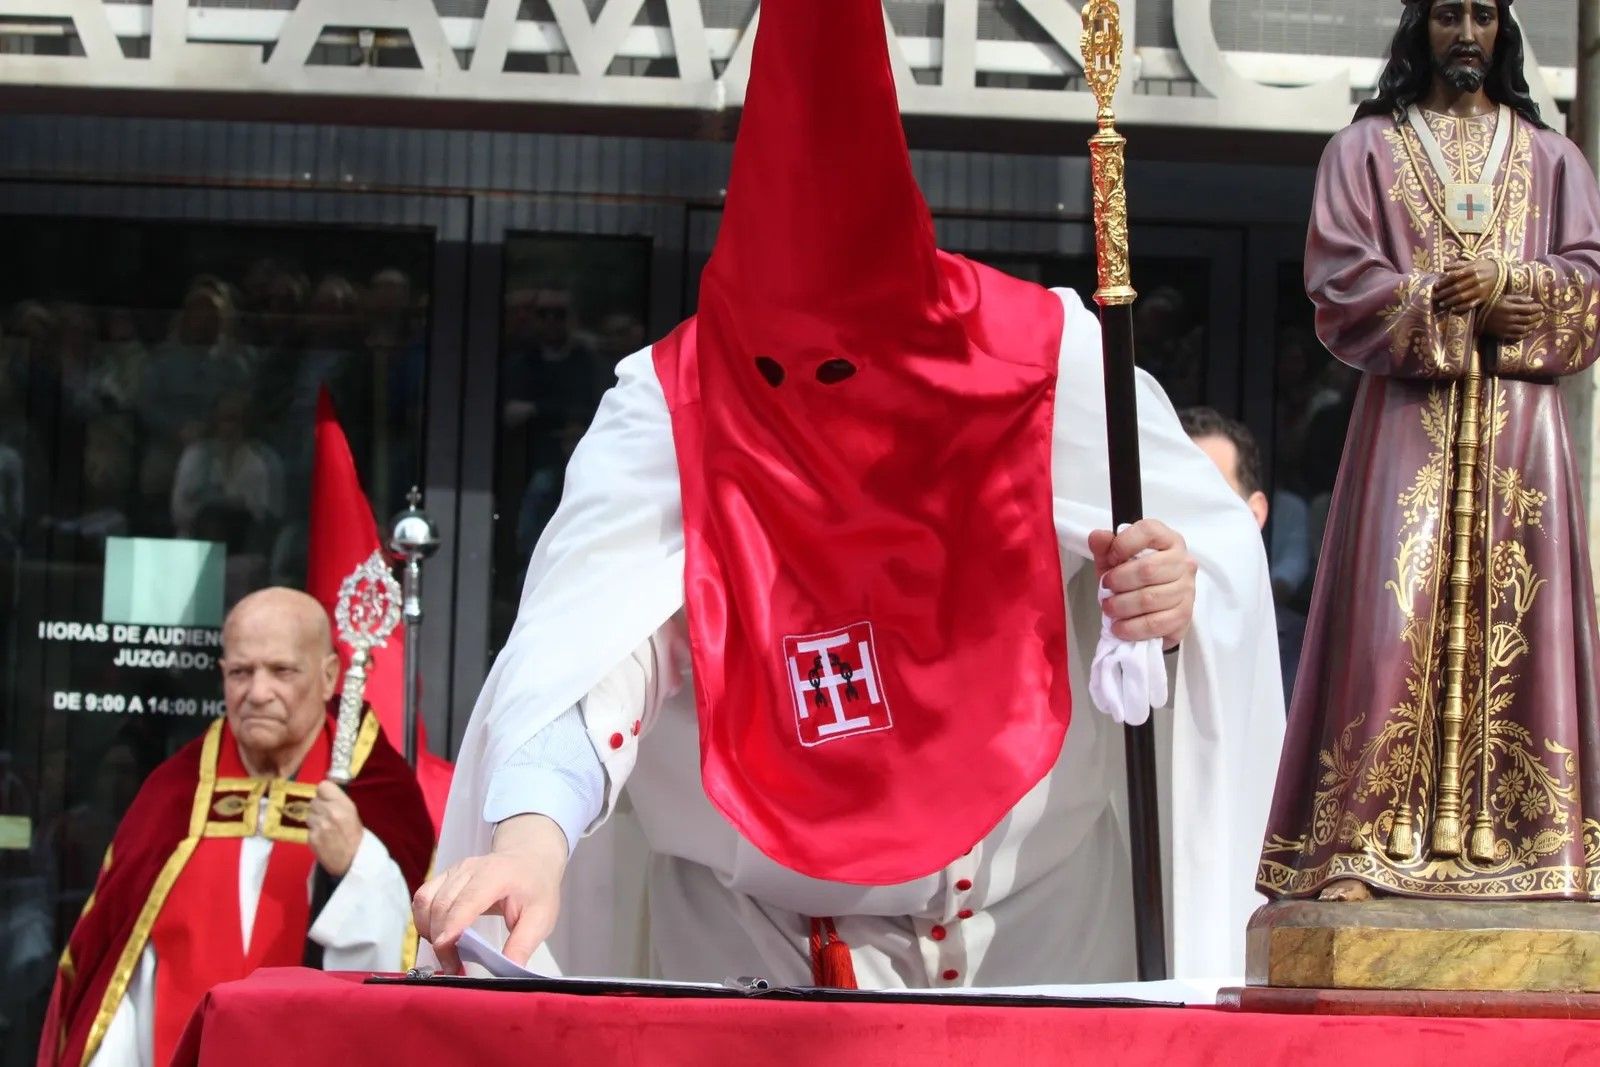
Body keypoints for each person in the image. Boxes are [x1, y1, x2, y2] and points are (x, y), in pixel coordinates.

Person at [417, 0, 1284, 988]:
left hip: (1040, 939)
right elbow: (590, 661)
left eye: (847, 370)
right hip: (765, 951)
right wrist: (529, 841)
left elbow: (1201, 563)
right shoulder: (673, 403)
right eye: (780, 372)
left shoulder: (1039, 361)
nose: (817, 413)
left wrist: (1165, 605)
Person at [1258, 0, 1600, 903]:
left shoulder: (1554, 158)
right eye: (1447, 14)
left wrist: (1519, 285)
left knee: (1526, 618)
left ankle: (1537, 851)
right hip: (1408, 419)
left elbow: (1589, 282)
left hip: (1522, 435)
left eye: (1482, 16)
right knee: (1388, 616)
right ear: (1419, 30)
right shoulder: (1363, 151)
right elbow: (1339, 281)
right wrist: (1450, 302)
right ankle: (1362, 847)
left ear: (1505, 33)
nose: (1465, 34)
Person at [37, 588, 434, 1067]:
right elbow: (123, 983)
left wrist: (359, 863)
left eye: (282, 671)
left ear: (330, 676)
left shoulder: (379, 795)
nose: (258, 692)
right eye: (241, 672)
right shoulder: (173, 798)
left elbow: (400, 979)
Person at [1178, 407, 1304, 703]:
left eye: (1211, 499)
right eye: (1175, 499)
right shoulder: (1119, 645)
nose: (1187, 520)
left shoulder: (1311, 653)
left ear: (1254, 513)